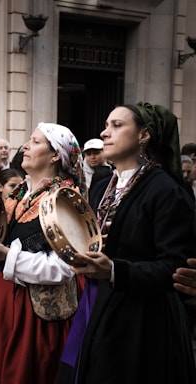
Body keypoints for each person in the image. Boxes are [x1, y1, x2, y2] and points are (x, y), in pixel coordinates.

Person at [58, 103, 196, 384]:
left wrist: (114, 271)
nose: (104, 133)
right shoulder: (101, 185)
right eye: (107, 125)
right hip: (96, 305)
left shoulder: (166, 191)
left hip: (143, 322)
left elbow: (175, 268)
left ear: (143, 135)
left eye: (117, 125)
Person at [0, 122, 87, 384]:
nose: (26, 146)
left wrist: (7, 257)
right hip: (4, 297)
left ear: (55, 155)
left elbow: (65, 268)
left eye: (36, 141)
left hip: (38, 313)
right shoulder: (17, 195)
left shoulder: (67, 199)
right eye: (28, 139)